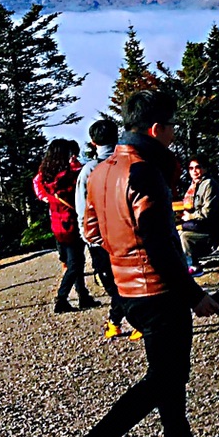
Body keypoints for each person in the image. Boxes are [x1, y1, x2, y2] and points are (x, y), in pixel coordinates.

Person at [55, 89, 219, 437]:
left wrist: (119, 264)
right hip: (157, 289)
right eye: (171, 127)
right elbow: (158, 242)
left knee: (167, 374)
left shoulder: (100, 172)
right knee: (163, 379)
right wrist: (193, 294)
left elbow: (91, 232)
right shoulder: (144, 171)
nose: (173, 135)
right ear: (155, 129)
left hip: (128, 289)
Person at [78, 117, 138, 340]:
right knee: (130, 280)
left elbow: (82, 207)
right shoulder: (131, 162)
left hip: (99, 237)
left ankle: (125, 320)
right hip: (129, 233)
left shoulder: (90, 170)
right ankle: (124, 320)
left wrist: (86, 236)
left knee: (113, 285)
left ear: (93, 142)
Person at [33, 139, 97, 313]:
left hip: (57, 223)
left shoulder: (45, 176)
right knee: (76, 263)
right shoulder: (68, 176)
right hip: (71, 222)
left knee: (74, 261)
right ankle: (62, 298)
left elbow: (40, 190)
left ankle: (83, 295)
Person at [180, 156, 219, 272]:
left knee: (184, 236)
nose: (194, 171)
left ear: (205, 169)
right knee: (173, 231)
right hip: (198, 224)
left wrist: (190, 216)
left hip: (211, 228)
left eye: (197, 167)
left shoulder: (209, 184)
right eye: (191, 168)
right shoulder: (194, 185)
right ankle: (182, 264)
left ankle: (193, 265)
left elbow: (207, 212)